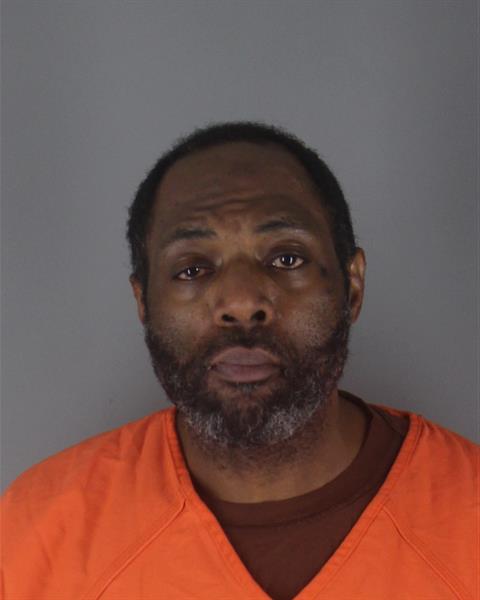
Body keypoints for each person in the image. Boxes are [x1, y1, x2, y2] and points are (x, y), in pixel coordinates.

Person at [2, 122, 477, 599]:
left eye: (287, 259)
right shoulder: (37, 536)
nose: (242, 302)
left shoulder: (468, 517)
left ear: (352, 287)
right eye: (192, 269)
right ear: (143, 302)